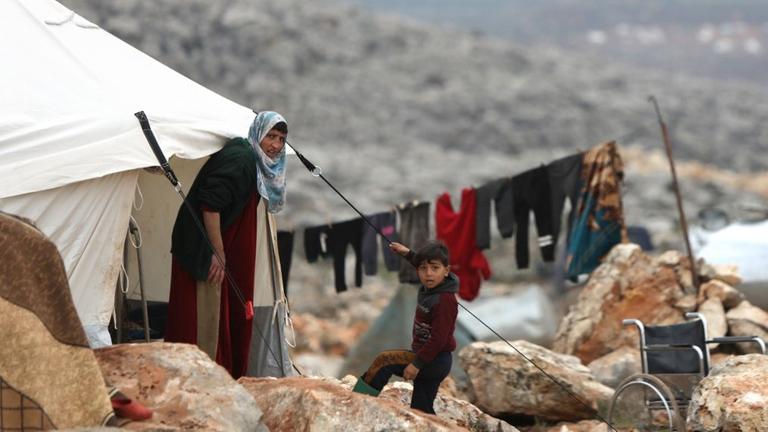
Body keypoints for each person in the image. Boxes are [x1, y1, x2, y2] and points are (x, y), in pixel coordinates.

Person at [164, 111, 288, 378]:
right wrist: (217, 252)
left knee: (217, 315)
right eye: (271, 136)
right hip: (201, 247)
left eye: (281, 139)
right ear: (258, 134)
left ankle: (216, 372)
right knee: (201, 318)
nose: (276, 146)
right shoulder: (241, 158)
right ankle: (197, 376)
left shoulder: (253, 159)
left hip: (215, 244)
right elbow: (211, 205)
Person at [352, 240, 458, 414]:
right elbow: (422, 260)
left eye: (435, 268)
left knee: (384, 361)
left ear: (446, 270)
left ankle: (356, 405)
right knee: (420, 410)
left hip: (433, 360)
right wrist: (406, 252)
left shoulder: (444, 300)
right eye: (423, 269)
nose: (428, 274)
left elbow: (438, 339)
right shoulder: (433, 287)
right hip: (433, 360)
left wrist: (416, 364)